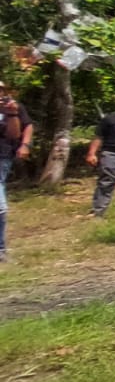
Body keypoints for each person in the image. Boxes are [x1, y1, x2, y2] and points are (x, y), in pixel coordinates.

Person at [0, 82, 34, 261]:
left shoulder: (12, 108)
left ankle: (0, 250)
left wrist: (12, 114)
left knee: (0, 207)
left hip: (2, 157)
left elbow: (16, 133)